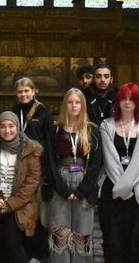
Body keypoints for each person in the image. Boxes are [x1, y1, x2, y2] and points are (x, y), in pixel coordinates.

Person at [98, 82, 139, 263]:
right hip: (110, 191)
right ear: (118, 101)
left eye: (132, 99)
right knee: (113, 244)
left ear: (138, 102)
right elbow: (110, 160)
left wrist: (126, 188)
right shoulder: (106, 125)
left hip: (137, 193)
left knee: (134, 244)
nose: (127, 103)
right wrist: (122, 189)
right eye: (124, 98)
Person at [46, 88, 102, 263]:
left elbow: (96, 164)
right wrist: (63, 190)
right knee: (60, 233)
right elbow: (49, 162)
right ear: (65, 105)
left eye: (77, 102)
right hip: (60, 181)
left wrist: (81, 191)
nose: (74, 105)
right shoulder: (55, 130)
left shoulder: (92, 130)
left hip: (83, 181)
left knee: (81, 234)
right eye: (70, 102)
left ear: (83, 105)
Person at [0, 111, 42, 263]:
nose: (7, 130)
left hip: (19, 207)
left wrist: (10, 204)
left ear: (17, 127)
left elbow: (32, 182)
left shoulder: (30, 150)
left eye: (11, 126)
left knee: (13, 246)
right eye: (3, 126)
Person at [11, 77, 54, 261]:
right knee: (20, 210)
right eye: (20, 92)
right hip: (17, 169)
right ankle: (23, 253)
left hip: (38, 169)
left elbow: (50, 143)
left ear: (34, 91)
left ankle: (40, 254)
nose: (23, 94)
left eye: (26, 91)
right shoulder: (13, 112)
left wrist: (48, 171)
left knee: (35, 212)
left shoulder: (43, 112)